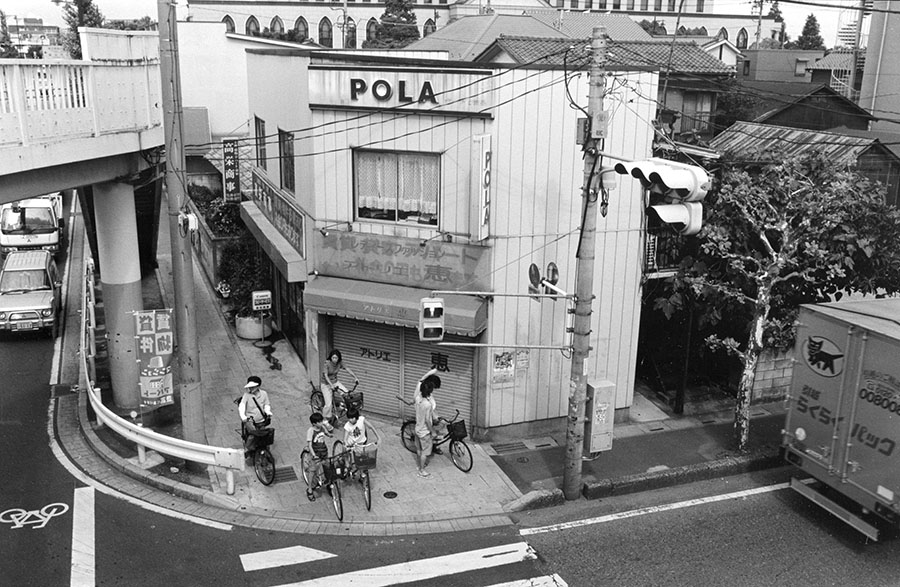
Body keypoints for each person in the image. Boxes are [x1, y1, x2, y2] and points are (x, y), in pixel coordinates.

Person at [321, 349, 358, 424]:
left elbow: (347, 369)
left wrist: (355, 377)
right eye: (333, 358)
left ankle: (342, 408)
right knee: (328, 404)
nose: (334, 359)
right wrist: (331, 385)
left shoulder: (340, 363)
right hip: (326, 384)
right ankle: (325, 419)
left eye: (336, 358)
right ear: (330, 357)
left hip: (335, 382)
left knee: (347, 394)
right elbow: (325, 375)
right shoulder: (327, 364)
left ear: (339, 358)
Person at [238, 375, 273, 455]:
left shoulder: (264, 394)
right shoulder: (246, 395)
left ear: (258, 386)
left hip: (261, 419)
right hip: (250, 420)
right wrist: (243, 417)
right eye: (250, 387)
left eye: (253, 387)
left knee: (264, 435)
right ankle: (249, 448)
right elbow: (242, 406)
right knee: (253, 434)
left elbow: (267, 404)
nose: (250, 389)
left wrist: (268, 412)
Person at [343, 407, 381, 471]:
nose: (350, 420)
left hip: (360, 443)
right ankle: (346, 463)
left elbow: (371, 427)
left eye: (352, 418)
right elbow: (345, 438)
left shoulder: (362, 419)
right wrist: (346, 443)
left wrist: (378, 437)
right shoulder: (347, 426)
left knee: (361, 460)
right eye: (349, 418)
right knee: (345, 450)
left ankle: (362, 474)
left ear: (356, 417)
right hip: (351, 442)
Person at [305, 412, 332, 501]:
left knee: (328, 468)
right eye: (319, 422)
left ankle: (329, 484)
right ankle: (309, 489)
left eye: (321, 421)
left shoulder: (322, 428)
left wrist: (329, 434)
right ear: (314, 423)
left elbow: (326, 433)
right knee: (312, 471)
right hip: (316, 454)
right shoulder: (311, 431)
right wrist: (313, 455)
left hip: (324, 451)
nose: (321, 423)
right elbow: (309, 445)